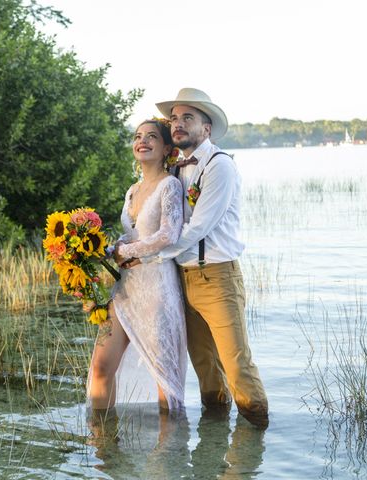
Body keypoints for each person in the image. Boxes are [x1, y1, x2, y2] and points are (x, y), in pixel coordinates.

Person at [118, 88, 269, 427]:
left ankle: (255, 438)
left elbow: (197, 227)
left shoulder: (220, 167)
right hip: (181, 278)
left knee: (236, 363)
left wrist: (145, 256)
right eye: (174, 118)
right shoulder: (175, 171)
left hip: (216, 276)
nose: (179, 124)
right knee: (205, 367)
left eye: (188, 117)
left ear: (207, 127)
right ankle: (214, 445)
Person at [87, 118, 187, 415]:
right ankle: (102, 447)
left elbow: (169, 234)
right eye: (138, 136)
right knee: (101, 366)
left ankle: (168, 453)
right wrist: (101, 249)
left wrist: (125, 251)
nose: (142, 141)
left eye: (152, 137)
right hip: (126, 289)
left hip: (156, 290)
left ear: (167, 148)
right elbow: (130, 235)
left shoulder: (170, 185)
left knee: (162, 377)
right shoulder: (132, 190)